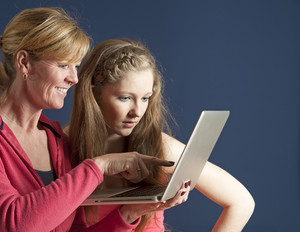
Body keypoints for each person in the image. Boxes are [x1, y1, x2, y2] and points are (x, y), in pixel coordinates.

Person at [0, 8, 179, 232]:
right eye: (64, 65)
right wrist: (99, 166)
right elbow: (14, 223)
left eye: (76, 66)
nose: (74, 78)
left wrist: (129, 213)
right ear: (24, 63)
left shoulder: (57, 142)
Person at [67, 38, 255, 231]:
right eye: (125, 98)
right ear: (94, 93)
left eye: (145, 98)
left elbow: (241, 202)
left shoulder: (159, 147)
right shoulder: (60, 147)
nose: (137, 111)